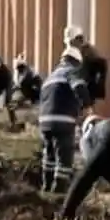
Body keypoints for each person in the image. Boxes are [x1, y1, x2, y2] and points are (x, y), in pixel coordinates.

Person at [38, 46, 88, 193]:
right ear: (76, 62)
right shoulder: (71, 71)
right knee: (64, 155)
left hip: (45, 122)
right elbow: (79, 87)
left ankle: (46, 185)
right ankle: (59, 189)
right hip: (62, 120)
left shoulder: (50, 76)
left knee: (49, 154)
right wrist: (87, 106)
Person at [64, 24, 108, 104]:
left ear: (78, 39)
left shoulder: (89, 52)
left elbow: (101, 65)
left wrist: (97, 89)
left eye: (71, 42)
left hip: (85, 90)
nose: (70, 45)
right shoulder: (71, 53)